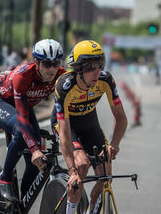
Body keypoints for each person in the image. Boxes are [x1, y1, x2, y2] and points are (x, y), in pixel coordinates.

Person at [51, 40, 127, 214]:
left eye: (100, 65)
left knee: (105, 176)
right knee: (82, 165)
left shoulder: (105, 80)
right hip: (67, 125)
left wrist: (114, 145)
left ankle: (90, 211)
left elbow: (121, 119)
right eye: (91, 67)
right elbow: (64, 133)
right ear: (78, 68)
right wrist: (72, 170)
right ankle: (71, 209)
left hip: (89, 122)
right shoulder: (65, 86)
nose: (97, 72)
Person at [0, 39, 66, 201]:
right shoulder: (22, 76)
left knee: (36, 163)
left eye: (56, 63)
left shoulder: (61, 76)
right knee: (23, 134)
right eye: (46, 64)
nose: (52, 69)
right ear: (36, 62)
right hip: (1, 102)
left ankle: (23, 204)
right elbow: (22, 119)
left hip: (24, 105)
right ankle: (5, 178)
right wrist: (34, 148)